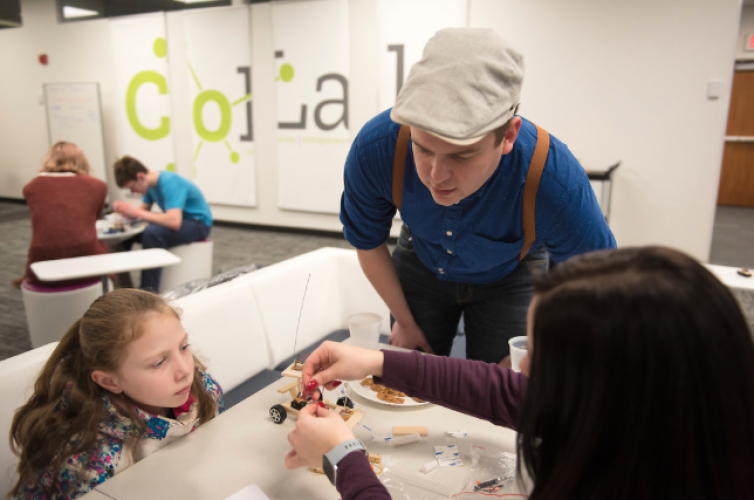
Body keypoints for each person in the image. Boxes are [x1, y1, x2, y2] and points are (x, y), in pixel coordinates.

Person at [286, 246, 754, 500]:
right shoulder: (670, 435)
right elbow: (505, 392)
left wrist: (342, 459)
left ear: (605, 396)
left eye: (541, 356)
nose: (521, 366)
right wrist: (379, 362)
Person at [340, 28, 616, 365]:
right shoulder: (377, 148)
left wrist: (542, 345)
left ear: (508, 136)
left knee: (502, 397)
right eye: (422, 148)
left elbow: (597, 279)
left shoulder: (553, 180)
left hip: (513, 272)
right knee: (407, 385)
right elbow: (366, 240)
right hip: (421, 258)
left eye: (461, 156)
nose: (436, 176)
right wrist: (405, 321)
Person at [9, 289, 224, 499]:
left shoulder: (204, 391)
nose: (185, 370)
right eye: (159, 362)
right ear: (110, 381)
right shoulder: (87, 462)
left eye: (184, 347)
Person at [112, 156, 212, 291]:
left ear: (141, 177)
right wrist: (124, 212)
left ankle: (149, 291)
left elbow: (174, 221)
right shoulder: (151, 186)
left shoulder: (169, 182)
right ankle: (123, 287)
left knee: (152, 233)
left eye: (131, 187)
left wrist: (136, 212)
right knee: (127, 235)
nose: (132, 192)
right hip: (182, 221)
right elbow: (141, 213)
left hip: (199, 224)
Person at [19, 142, 109, 288]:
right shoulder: (99, 186)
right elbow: (92, 220)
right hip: (89, 263)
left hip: (41, 264)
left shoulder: (30, 188)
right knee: (106, 250)